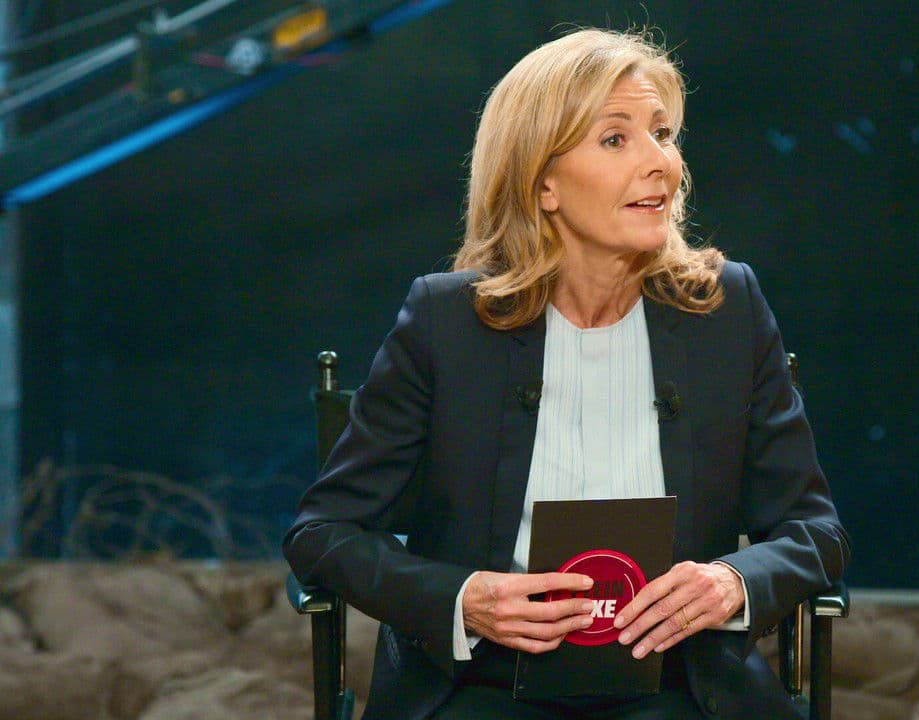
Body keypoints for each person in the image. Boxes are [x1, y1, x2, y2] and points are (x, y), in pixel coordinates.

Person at [284, 28, 849, 720]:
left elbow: (813, 531)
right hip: (483, 687)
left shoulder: (726, 310)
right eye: (615, 139)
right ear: (542, 183)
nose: (661, 163)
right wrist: (463, 600)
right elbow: (323, 533)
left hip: (682, 687)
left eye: (663, 134)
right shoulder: (444, 322)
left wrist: (733, 580)